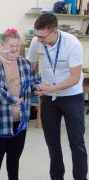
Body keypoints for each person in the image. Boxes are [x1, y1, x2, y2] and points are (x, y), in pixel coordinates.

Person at [27, 13, 88, 180]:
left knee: (77, 142)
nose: (38, 40)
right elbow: (30, 67)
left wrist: (53, 87)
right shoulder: (36, 41)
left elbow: (75, 78)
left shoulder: (72, 43)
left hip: (71, 96)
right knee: (52, 143)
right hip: (48, 98)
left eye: (42, 36)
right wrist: (30, 84)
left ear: (54, 31)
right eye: (36, 35)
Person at [0, 28, 39, 180]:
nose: (15, 49)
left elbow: (34, 83)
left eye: (17, 46)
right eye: (11, 46)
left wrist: (41, 87)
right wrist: (13, 99)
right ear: (1, 45)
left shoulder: (24, 63)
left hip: (21, 121)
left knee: (14, 158)